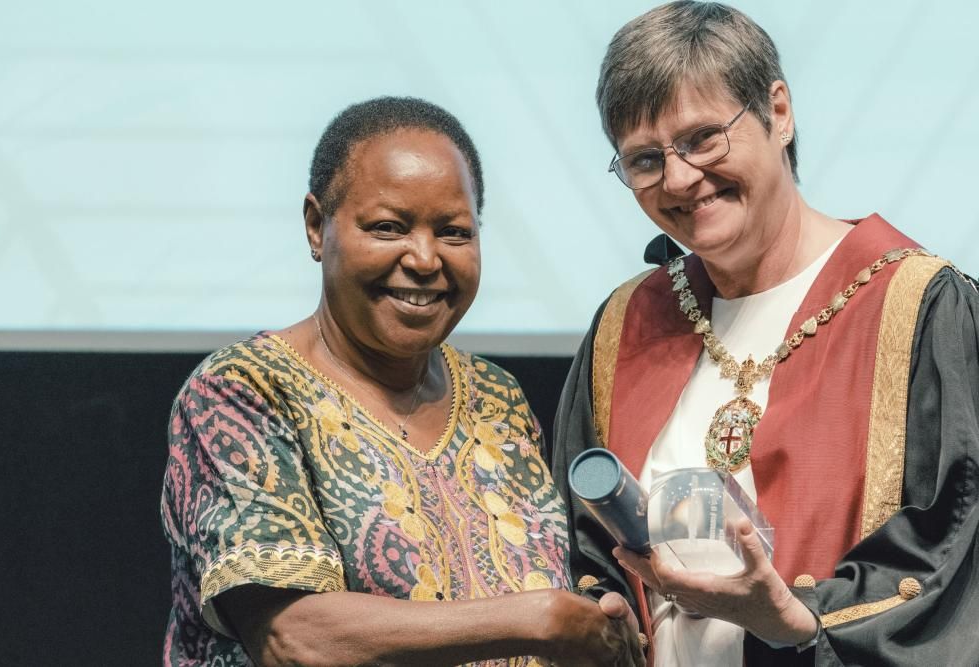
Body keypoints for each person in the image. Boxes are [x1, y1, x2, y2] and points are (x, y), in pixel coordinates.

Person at [550, 2, 979, 666]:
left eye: (702, 139)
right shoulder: (624, 325)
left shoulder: (918, 306)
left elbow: (951, 556)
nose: (680, 178)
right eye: (643, 159)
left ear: (778, 112)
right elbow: (578, 549)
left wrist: (796, 619)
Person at [160, 96, 645, 667]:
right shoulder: (244, 391)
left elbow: (553, 578)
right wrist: (541, 620)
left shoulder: (496, 397)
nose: (423, 258)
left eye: (454, 232)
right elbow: (295, 640)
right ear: (317, 227)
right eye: (388, 228)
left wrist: (599, 612)